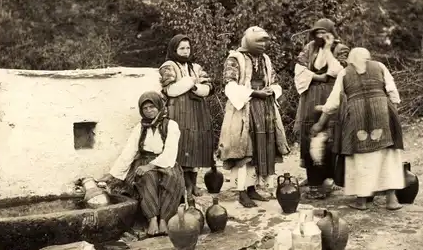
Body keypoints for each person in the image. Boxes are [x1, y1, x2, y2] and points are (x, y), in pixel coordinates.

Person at [311, 47, 405, 210]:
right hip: (382, 113)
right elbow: (392, 91)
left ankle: (361, 201)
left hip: (356, 117)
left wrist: (321, 120)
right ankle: (391, 200)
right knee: (388, 155)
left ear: (350, 60)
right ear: (368, 58)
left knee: (360, 158)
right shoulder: (380, 66)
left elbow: (334, 101)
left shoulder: (345, 73)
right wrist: (392, 110)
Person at [217, 26, 290, 208]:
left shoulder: (265, 59)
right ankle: (241, 191)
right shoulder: (235, 58)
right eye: (259, 41)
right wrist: (254, 93)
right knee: (244, 149)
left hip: (264, 108)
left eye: (265, 41)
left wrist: (270, 91)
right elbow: (229, 86)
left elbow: (274, 82)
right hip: (243, 109)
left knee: (259, 149)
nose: (264, 45)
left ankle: (252, 188)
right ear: (249, 41)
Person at [98, 91, 185, 236]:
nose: (149, 111)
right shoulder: (140, 127)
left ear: (159, 106)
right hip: (144, 161)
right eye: (145, 108)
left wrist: (151, 166)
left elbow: (170, 151)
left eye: (152, 107)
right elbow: (129, 151)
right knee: (147, 178)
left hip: (165, 162)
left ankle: (164, 219)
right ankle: (152, 219)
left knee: (171, 178)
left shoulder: (171, 125)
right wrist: (113, 173)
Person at [293, 18, 349, 199]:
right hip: (310, 97)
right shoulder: (309, 48)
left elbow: (340, 71)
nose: (320, 37)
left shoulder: (340, 49)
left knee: (329, 136)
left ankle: (328, 179)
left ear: (331, 33)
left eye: (323, 33)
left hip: (331, 95)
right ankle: (313, 178)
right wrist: (319, 77)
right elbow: (300, 70)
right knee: (310, 134)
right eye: (316, 33)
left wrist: (327, 50)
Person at [159, 34, 214, 197]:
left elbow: (209, 87)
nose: (185, 51)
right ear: (174, 49)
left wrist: (197, 88)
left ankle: (195, 184)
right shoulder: (168, 66)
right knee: (183, 145)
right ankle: (185, 185)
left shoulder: (196, 67)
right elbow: (170, 90)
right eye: (181, 48)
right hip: (178, 110)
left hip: (197, 110)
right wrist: (190, 83)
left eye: (188, 48)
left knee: (196, 145)